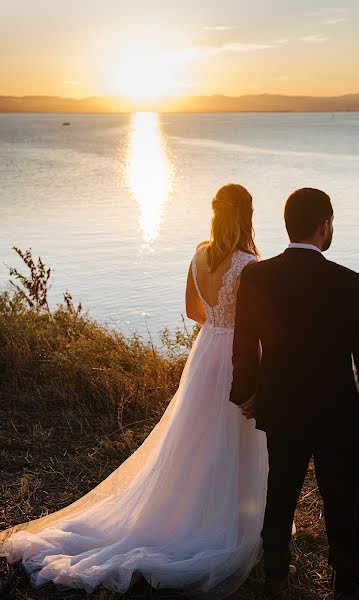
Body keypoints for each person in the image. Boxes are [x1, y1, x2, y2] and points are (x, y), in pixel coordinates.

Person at [0, 183, 268, 598]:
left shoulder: (199, 255)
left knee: (195, 437)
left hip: (205, 354)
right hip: (237, 356)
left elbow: (193, 311)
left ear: (215, 213)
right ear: (247, 215)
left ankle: (187, 506)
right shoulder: (249, 264)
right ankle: (224, 519)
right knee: (232, 435)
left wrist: (217, 325)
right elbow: (258, 323)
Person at [230, 187, 359, 600]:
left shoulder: (257, 275)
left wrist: (244, 392)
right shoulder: (347, 281)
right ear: (324, 225)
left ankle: (276, 576)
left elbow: (244, 342)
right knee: (341, 498)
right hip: (336, 411)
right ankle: (346, 586)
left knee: (280, 491)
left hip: (281, 405)